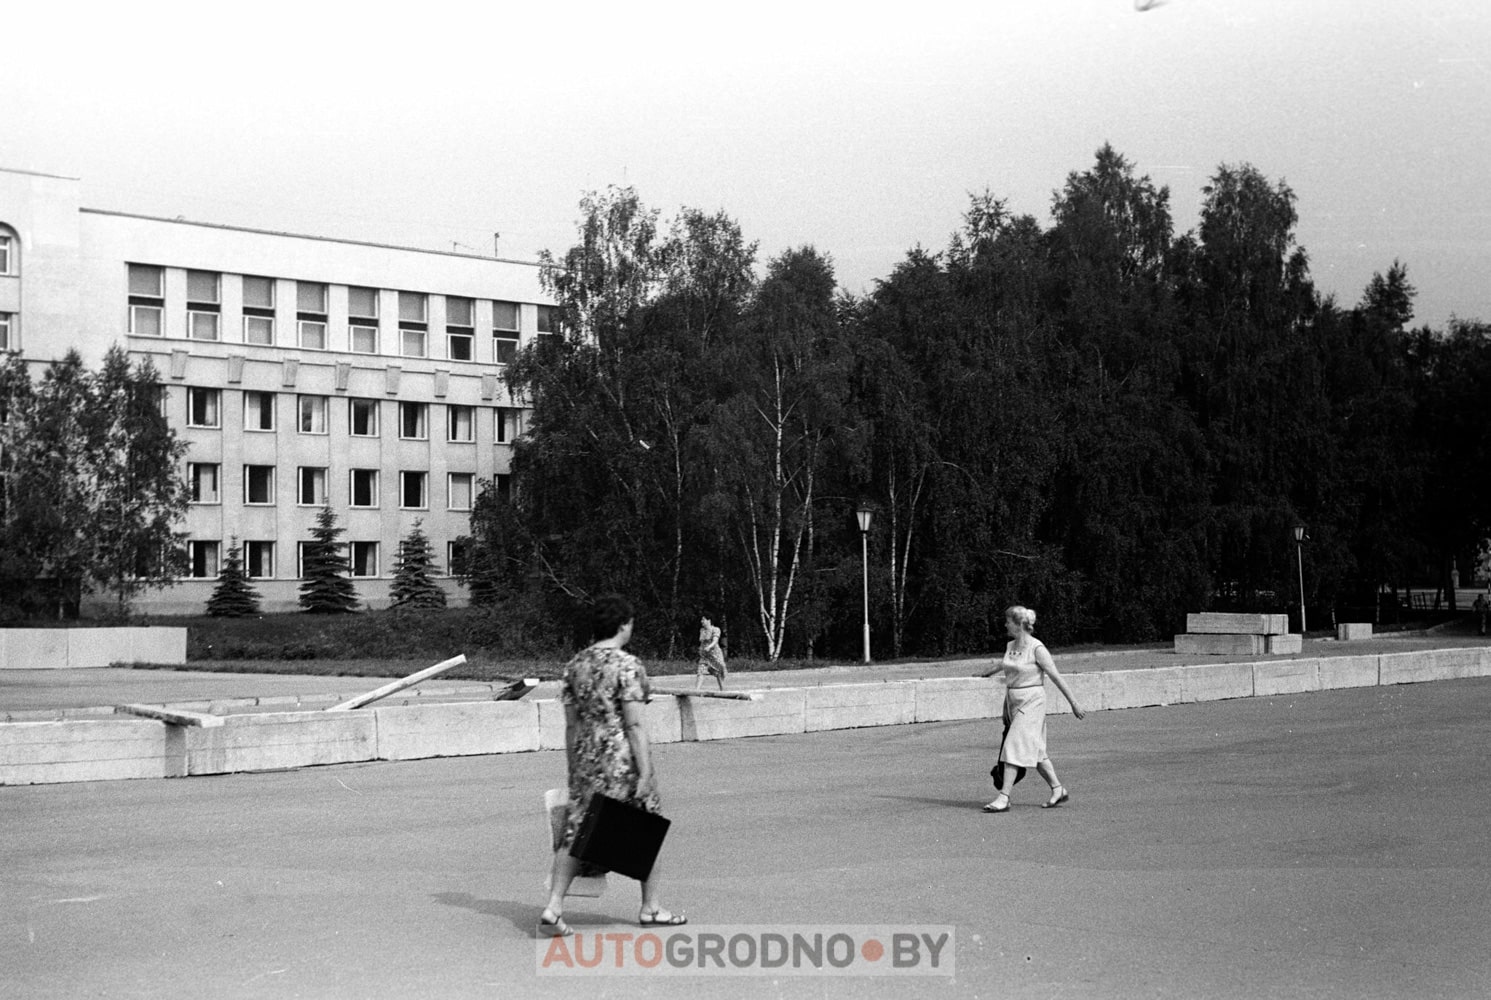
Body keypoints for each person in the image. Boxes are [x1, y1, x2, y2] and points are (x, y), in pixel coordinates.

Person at [540, 594, 686, 936]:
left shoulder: (575, 666)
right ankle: (650, 907)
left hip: (587, 761)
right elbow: (634, 725)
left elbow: (571, 725)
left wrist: (573, 766)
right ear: (623, 625)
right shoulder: (627, 666)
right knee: (648, 828)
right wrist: (646, 771)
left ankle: (554, 906)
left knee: (577, 833)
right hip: (621, 762)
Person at [979, 605, 1087, 813]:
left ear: (1019, 624)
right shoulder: (1011, 645)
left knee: (1012, 746)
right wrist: (985, 673)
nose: (1005, 624)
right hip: (1013, 702)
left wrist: (1074, 703)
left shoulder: (1037, 648)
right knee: (1036, 751)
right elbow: (1005, 666)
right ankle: (1058, 789)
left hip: (1032, 702)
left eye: (1008, 621)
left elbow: (1056, 676)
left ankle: (1004, 796)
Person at [694, 615, 728, 691]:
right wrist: (701, 650)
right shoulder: (702, 630)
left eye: (703, 620)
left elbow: (715, 641)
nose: (701, 621)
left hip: (715, 655)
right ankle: (697, 690)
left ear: (709, 620)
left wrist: (709, 647)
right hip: (705, 656)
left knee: (718, 671)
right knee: (700, 671)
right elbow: (702, 642)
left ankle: (722, 689)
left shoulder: (715, 629)